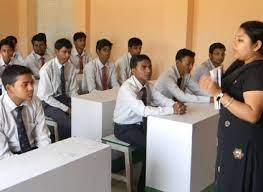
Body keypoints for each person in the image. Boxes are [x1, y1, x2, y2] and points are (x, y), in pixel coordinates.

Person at [199, 21, 263, 192]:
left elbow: (253, 114)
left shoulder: (257, 71)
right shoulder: (242, 63)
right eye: (235, 39)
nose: (234, 44)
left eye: (240, 40)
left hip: (245, 142)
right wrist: (215, 86)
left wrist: (219, 93)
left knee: (238, 182)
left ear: (257, 45)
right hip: (232, 137)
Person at [113, 54, 186, 192]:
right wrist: (172, 110)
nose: (148, 70)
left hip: (141, 124)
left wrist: (176, 104)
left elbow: (161, 99)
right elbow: (144, 110)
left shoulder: (147, 85)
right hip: (124, 128)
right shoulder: (127, 88)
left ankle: (163, 183)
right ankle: (143, 188)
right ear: (133, 70)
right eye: (144, 67)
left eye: (150, 67)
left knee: (165, 140)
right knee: (153, 148)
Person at [0, 65, 51, 159]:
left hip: (34, 150)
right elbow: (3, 154)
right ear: (9, 88)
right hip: (10, 157)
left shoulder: (35, 102)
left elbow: (43, 137)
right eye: (25, 84)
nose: (31, 88)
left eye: (32, 83)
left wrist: (45, 156)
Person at [37, 38, 78, 140]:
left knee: (82, 114)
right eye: (64, 52)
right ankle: (66, 145)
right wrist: (67, 109)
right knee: (67, 121)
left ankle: (83, 143)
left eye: (69, 52)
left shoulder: (70, 67)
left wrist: (77, 105)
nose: (67, 55)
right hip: (48, 103)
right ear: (56, 51)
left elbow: (73, 91)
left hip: (64, 98)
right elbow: (46, 97)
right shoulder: (46, 69)